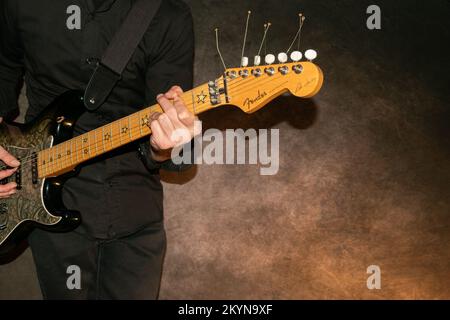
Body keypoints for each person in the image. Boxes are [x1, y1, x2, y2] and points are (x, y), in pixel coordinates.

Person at [0, 0, 196, 299]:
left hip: (135, 211)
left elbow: (172, 151)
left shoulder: (165, 13)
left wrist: (166, 146)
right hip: (41, 199)